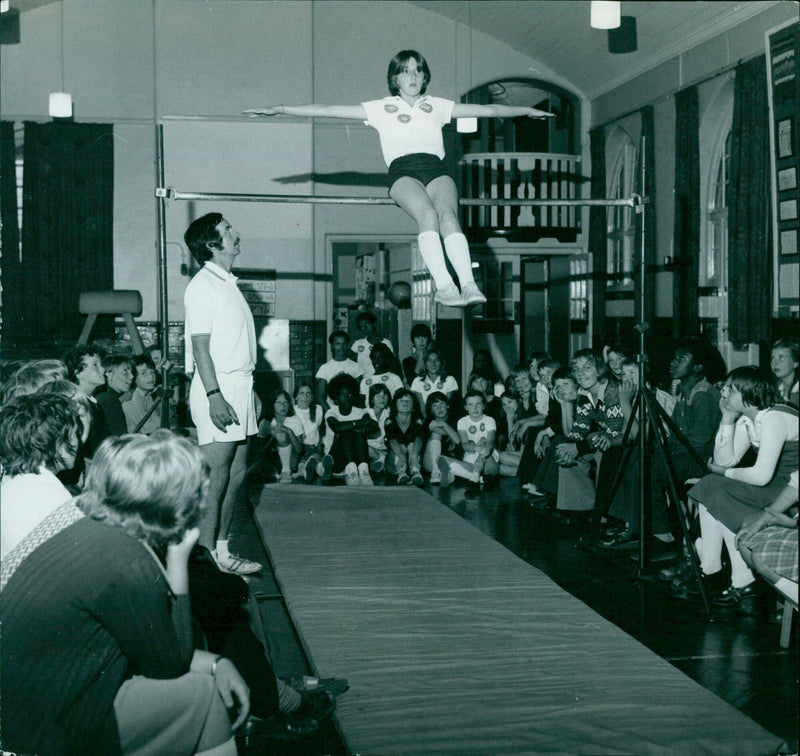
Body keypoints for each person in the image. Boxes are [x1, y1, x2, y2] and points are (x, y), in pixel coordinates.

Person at [0, 432, 249, 756]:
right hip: (44, 730)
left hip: (26, 708)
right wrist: (177, 559)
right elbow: (169, 663)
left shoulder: (90, 523)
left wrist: (216, 662)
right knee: (204, 696)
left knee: (203, 689)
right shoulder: (127, 558)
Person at [245, 49, 551, 307]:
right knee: (428, 214)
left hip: (436, 168)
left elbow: (487, 109)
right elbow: (327, 109)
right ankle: (444, 287)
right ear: (395, 78)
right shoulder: (380, 108)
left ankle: (468, 285)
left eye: (418, 70)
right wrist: (281, 109)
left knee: (448, 216)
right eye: (406, 71)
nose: (413, 76)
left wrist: (526, 110)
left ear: (425, 76)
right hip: (403, 171)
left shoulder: (438, 105)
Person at [677, 367, 799, 606]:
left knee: (715, 484)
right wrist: (727, 419)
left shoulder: (773, 417)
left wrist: (724, 472)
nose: (722, 390)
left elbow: (760, 476)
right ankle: (716, 569)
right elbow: (725, 460)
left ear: (747, 392)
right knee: (712, 484)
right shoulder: (749, 418)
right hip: (778, 482)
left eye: (729, 388)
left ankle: (726, 573)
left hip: (791, 488)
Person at [183, 212, 261, 575]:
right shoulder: (202, 286)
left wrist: (251, 390)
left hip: (240, 386)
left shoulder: (228, 282)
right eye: (228, 230)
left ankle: (222, 549)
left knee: (238, 473)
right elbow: (200, 349)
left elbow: (237, 344)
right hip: (218, 387)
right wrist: (215, 395)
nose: (237, 232)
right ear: (212, 245)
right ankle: (203, 565)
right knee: (216, 478)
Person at [0, 394, 82, 558]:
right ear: (59, 444)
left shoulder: (17, 476)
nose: (77, 441)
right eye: (75, 433)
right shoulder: (49, 494)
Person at [438, 390, 499, 497]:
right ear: (466, 407)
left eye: (478, 404)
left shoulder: (489, 420)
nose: (474, 408)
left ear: (483, 406)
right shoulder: (462, 421)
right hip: (470, 457)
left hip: (489, 457)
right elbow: (465, 445)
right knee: (440, 458)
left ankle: (471, 474)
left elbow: (490, 443)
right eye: (470, 405)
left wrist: (481, 456)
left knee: (484, 445)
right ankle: (478, 478)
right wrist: (477, 448)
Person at [322, 373, 378, 485]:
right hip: (337, 460)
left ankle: (364, 472)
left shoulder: (359, 411)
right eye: (344, 395)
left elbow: (374, 425)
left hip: (357, 458)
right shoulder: (331, 412)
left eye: (351, 395)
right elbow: (337, 427)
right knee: (345, 433)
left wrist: (356, 427)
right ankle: (352, 471)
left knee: (357, 433)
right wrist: (359, 424)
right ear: (336, 398)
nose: (348, 398)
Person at [258, 389, 304, 483]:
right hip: (273, 460)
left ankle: (286, 471)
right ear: (272, 405)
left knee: (282, 435)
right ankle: (274, 472)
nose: (283, 406)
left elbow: (299, 450)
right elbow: (260, 451)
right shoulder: (265, 422)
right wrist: (272, 437)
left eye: (285, 403)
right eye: (278, 403)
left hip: (291, 461)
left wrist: (290, 432)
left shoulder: (295, 420)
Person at [384, 388, 426, 485]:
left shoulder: (417, 421)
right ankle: (401, 473)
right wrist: (401, 455)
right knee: (401, 446)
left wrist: (414, 454)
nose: (405, 403)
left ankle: (416, 472)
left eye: (408, 401)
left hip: (413, 460)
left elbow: (419, 439)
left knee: (412, 445)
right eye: (401, 401)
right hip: (395, 460)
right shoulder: (390, 421)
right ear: (395, 404)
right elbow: (392, 441)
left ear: (413, 406)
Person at [315, 329, 363, 412]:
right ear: (332, 346)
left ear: (348, 345)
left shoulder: (356, 367)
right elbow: (320, 396)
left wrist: (354, 412)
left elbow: (359, 394)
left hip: (352, 412)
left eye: (344, 344)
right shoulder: (325, 368)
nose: (341, 347)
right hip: (333, 412)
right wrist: (331, 413)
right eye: (338, 344)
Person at [422, 391, 461, 484]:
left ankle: (447, 474)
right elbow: (455, 438)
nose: (439, 408)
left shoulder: (456, 420)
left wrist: (443, 424)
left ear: (447, 405)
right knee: (436, 434)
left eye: (441, 404)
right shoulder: (429, 422)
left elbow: (457, 440)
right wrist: (449, 432)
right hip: (431, 463)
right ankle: (436, 472)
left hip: (449, 459)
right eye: (435, 406)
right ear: (431, 410)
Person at [291, 381, 325, 483]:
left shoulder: (318, 409)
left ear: (312, 397)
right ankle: (306, 469)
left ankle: (319, 469)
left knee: (315, 457)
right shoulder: (292, 410)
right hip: (298, 447)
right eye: (301, 393)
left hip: (312, 446)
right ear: (296, 397)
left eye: (308, 393)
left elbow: (318, 430)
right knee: (303, 459)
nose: (305, 397)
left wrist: (319, 444)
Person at [122, 354, 162, 434]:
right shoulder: (129, 401)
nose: (150, 376)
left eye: (152, 372)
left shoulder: (147, 396)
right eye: (143, 373)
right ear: (133, 376)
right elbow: (147, 429)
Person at [410, 347, 458, 413]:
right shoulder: (417, 381)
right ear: (425, 363)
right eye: (429, 360)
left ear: (441, 362)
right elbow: (422, 408)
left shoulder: (449, 379)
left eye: (436, 360)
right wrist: (428, 422)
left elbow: (447, 406)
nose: (433, 364)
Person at [349, 310, 395, 378]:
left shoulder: (386, 343)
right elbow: (349, 362)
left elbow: (392, 363)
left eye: (367, 325)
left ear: (374, 323)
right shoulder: (358, 344)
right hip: (364, 380)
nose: (365, 328)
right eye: (362, 327)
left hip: (382, 378)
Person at [97, 354, 134, 436]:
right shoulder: (109, 400)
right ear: (109, 375)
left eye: (131, 372)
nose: (132, 376)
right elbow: (120, 436)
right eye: (125, 372)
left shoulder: (105, 397)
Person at [365, 383, 392, 473]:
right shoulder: (364, 414)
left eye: (385, 395)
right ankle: (381, 460)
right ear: (372, 399)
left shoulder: (389, 414)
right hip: (367, 451)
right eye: (378, 395)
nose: (382, 398)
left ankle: (378, 463)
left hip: (384, 450)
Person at [770, 337, 799, 407]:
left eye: (781, 357)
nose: (775, 363)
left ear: (795, 363)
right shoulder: (774, 389)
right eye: (772, 358)